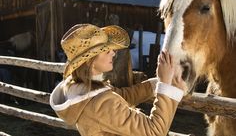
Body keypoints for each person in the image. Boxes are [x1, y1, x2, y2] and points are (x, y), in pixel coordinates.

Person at [50, 24, 186, 136]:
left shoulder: (84, 89)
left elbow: (122, 96)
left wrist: (157, 82)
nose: (113, 53)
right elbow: (154, 131)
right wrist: (165, 85)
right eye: (106, 50)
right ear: (89, 62)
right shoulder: (101, 105)